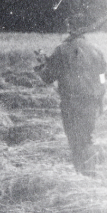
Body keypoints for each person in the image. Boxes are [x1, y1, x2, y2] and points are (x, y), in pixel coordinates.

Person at [35, 29, 107, 175]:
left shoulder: (62, 49)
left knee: (75, 141)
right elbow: (103, 77)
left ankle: (81, 174)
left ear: (70, 28)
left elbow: (48, 77)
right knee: (87, 139)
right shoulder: (96, 49)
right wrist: (100, 99)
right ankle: (89, 174)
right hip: (91, 102)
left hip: (71, 103)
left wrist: (43, 64)